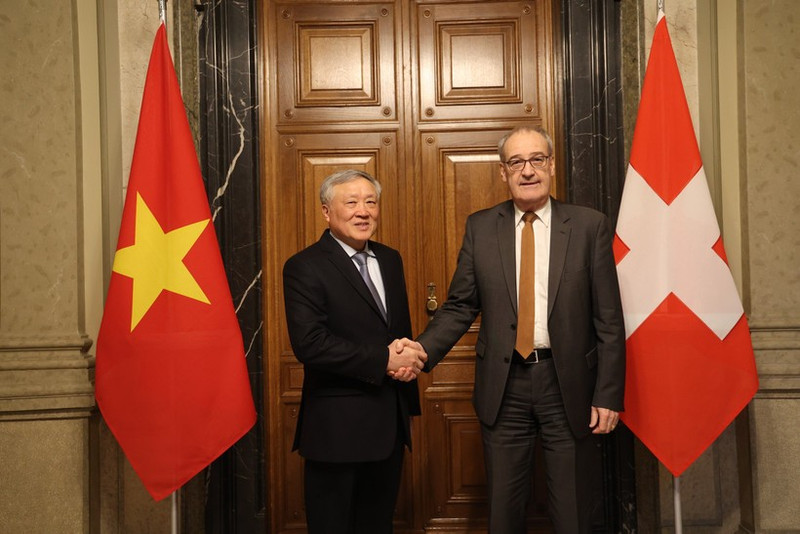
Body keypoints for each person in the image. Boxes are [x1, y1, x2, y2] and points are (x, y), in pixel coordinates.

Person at [404, 125, 626, 533]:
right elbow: (460, 305)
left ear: (552, 166)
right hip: (503, 388)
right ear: (503, 171)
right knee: (503, 515)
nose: (528, 170)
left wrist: (608, 395)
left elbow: (609, 319)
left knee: (573, 515)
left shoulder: (588, 226)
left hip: (568, 387)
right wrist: (420, 351)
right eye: (516, 162)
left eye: (537, 159)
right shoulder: (481, 227)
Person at [282, 169, 427, 534]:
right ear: (326, 212)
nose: (363, 211)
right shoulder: (304, 266)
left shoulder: (390, 259)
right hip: (336, 430)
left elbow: (397, 333)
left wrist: (407, 369)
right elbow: (310, 344)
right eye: (351, 202)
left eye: (370, 202)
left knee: (378, 525)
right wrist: (385, 360)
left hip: (389, 424)